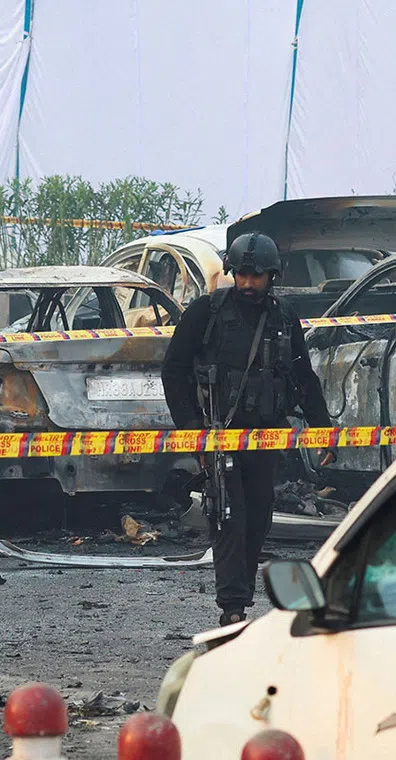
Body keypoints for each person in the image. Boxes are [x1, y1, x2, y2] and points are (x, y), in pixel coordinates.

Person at [161, 231, 335, 627]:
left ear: (271, 277)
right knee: (227, 517)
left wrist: (322, 428)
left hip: (266, 434)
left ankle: (240, 598)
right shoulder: (206, 312)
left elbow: (303, 376)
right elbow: (173, 371)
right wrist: (192, 428)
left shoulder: (284, 317)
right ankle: (233, 607)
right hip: (219, 433)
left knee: (258, 519)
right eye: (241, 275)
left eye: (256, 277)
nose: (247, 284)